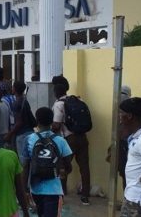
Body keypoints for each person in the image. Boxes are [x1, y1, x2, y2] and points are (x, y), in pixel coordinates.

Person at [23, 107, 73, 217]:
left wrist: (25, 190)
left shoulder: (29, 139)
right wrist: (63, 172)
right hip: (54, 190)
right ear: (52, 121)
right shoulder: (60, 140)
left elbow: (26, 166)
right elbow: (69, 166)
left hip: (35, 189)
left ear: (37, 121)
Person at [51, 77, 91, 205]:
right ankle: (85, 196)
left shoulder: (58, 104)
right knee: (84, 167)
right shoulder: (79, 100)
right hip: (83, 137)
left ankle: (62, 194)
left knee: (63, 166)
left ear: (56, 93)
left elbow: (56, 125)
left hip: (68, 139)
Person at [6, 81, 35, 164]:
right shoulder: (25, 101)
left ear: (14, 89)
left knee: (23, 162)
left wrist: (9, 134)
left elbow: (19, 123)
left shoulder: (16, 103)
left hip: (22, 135)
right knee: (30, 160)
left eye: (12, 87)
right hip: (30, 131)